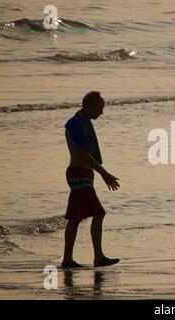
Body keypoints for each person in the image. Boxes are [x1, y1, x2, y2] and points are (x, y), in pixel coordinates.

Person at [62, 91, 120, 268]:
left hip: (83, 173)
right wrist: (104, 173)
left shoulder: (84, 122)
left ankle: (67, 260)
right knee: (98, 213)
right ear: (90, 105)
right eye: (100, 108)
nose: (101, 113)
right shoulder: (77, 123)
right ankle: (98, 257)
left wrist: (98, 173)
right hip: (78, 172)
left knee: (75, 218)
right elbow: (83, 154)